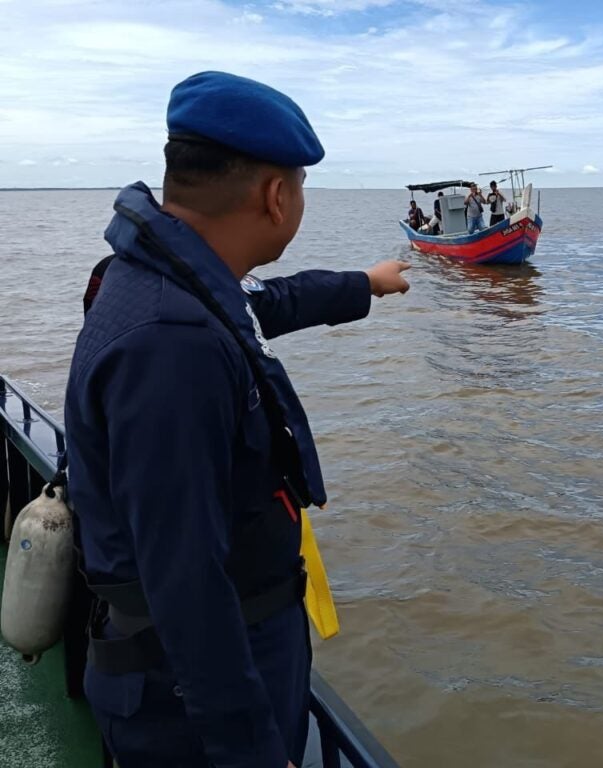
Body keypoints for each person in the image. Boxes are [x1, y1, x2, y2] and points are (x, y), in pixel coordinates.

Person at [63, 71, 410, 768]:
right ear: (276, 195)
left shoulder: (169, 276)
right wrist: (248, 748)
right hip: (184, 703)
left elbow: (265, 303)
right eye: (300, 187)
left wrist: (363, 285)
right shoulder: (173, 344)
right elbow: (184, 575)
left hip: (206, 664)